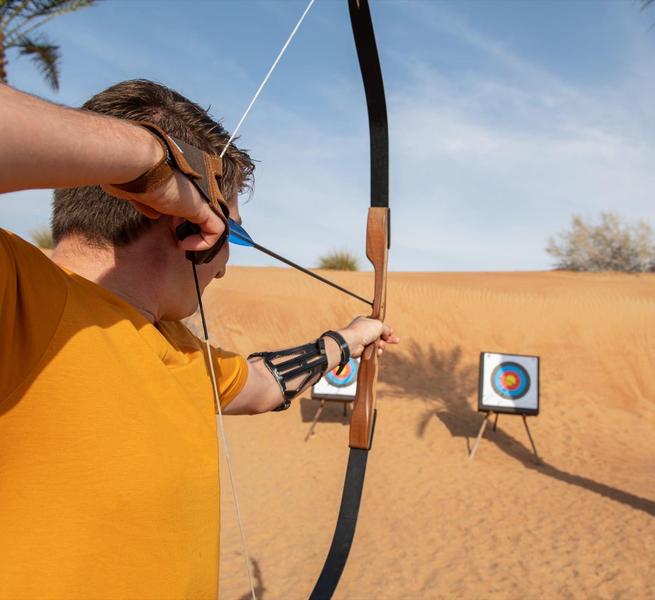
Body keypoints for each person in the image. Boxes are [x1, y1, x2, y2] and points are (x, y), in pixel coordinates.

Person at [0, 80, 399, 598]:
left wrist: (348, 339)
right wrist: (154, 159)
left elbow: (264, 386)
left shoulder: (177, 348)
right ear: (187, 223)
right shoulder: (24, 295)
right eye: (230, 233)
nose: (226, 266)